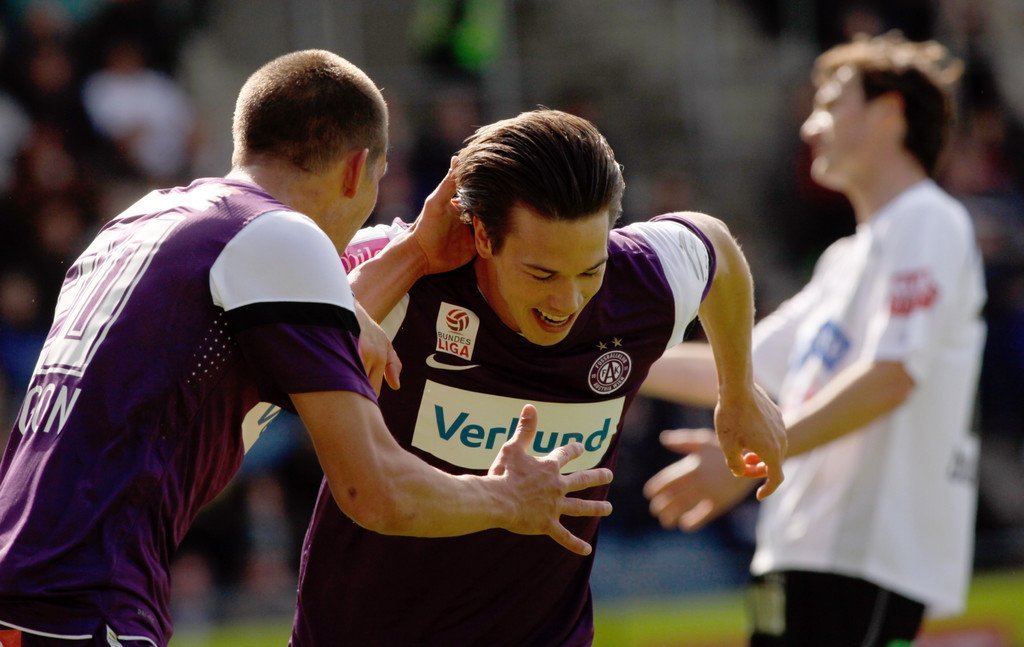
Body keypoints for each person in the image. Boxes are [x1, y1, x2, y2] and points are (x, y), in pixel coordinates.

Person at [0, 50, 616, 647]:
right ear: (355, 170)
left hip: (33, 593)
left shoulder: (149, 221)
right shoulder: (280, 235)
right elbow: (374, 489)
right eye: (378, 179)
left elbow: (285, 327)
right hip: (77, 606)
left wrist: (413, 256)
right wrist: (507, 498)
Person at [289, 108, 787, 645]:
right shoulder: (407, 275)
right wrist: (411, 255)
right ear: (483, 236)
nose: (566, 300)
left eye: (590, 270)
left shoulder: (644, 280)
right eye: (542, 273)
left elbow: (717, 248)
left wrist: (738, 392)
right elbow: (293, 326)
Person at [641, 32, 985, 646]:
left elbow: (891, 377)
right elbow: (739, 369)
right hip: (801, 550)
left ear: (888, 114)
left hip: (864, 561)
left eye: (830, 105)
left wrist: (750, 461)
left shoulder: (930, 220)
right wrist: (597, 355)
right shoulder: (844, 260)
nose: (810, 127)